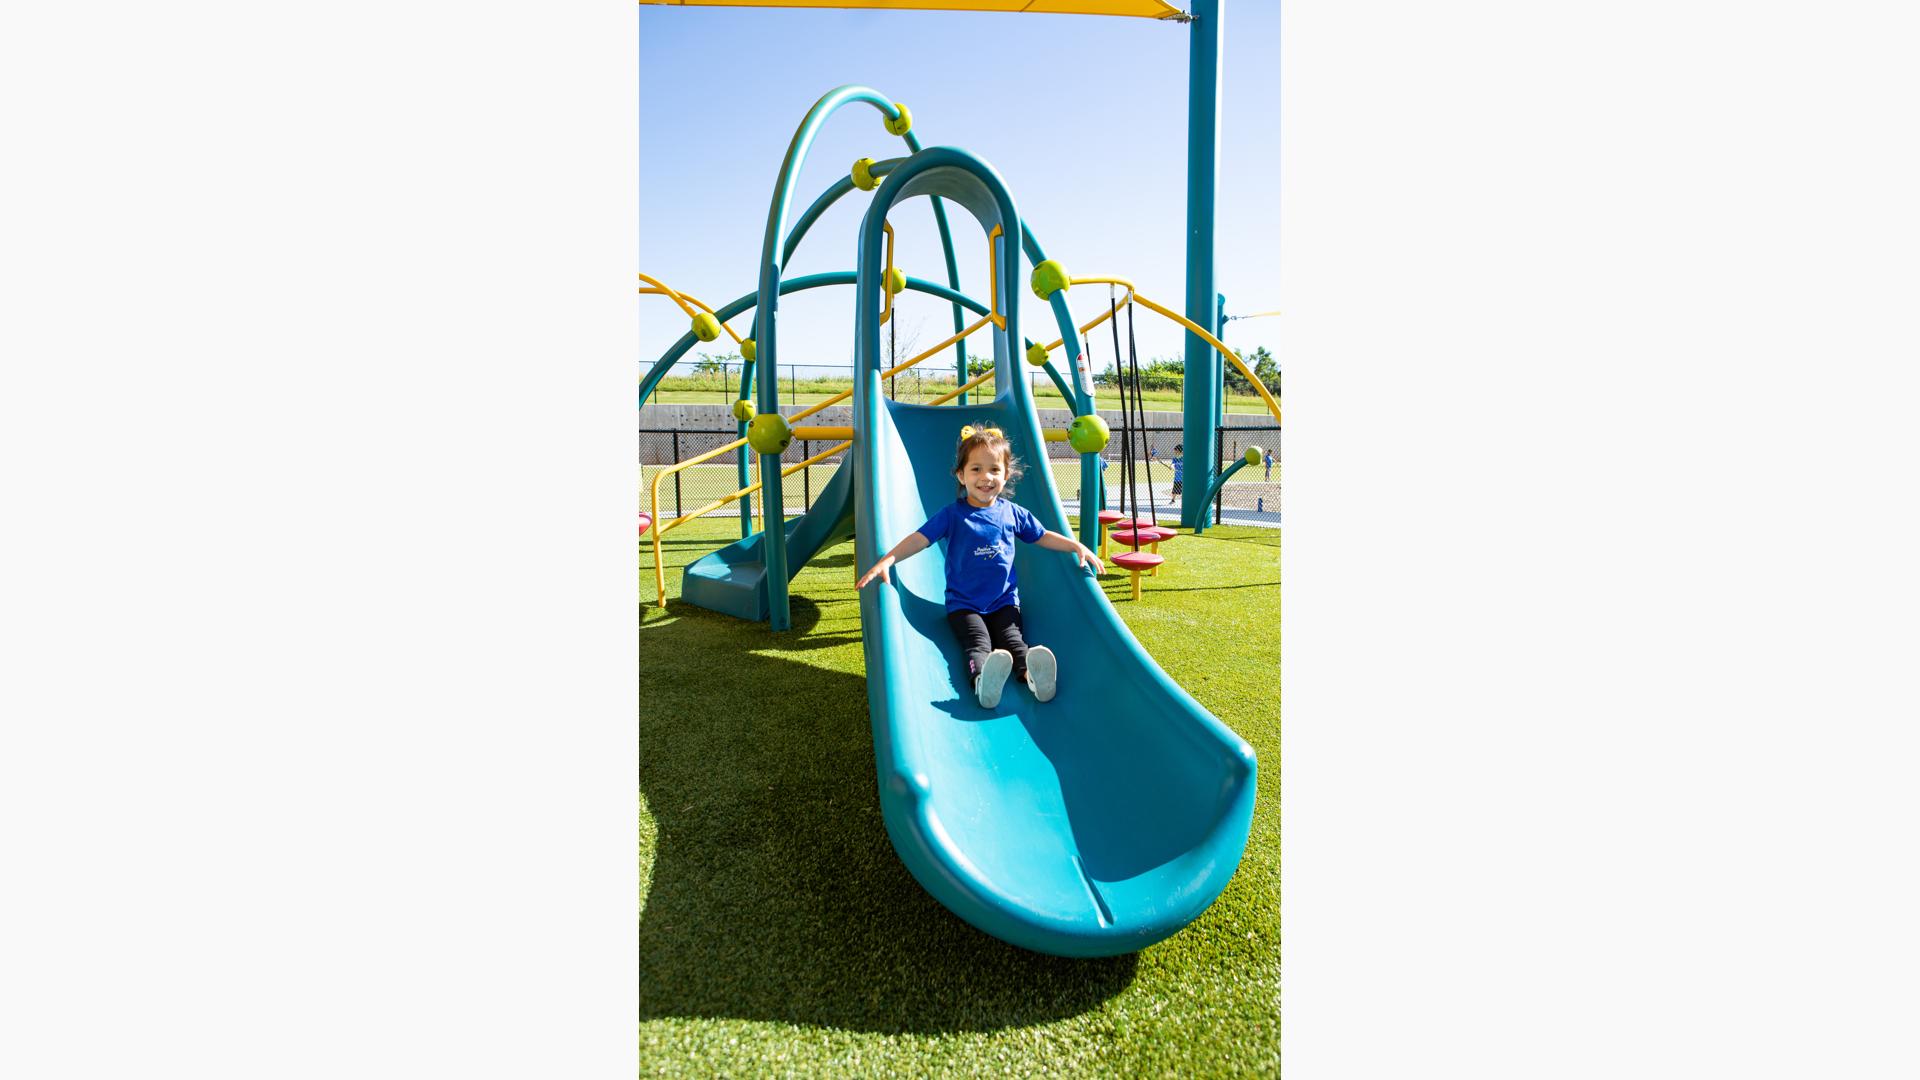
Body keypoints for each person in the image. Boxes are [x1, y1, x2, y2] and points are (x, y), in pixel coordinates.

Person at [856, 427, 1104, 707]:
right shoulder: (952, 515)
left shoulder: (1012, 513)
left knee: (1014, 640)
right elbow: (920, 538)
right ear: (961, 476)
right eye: (976, 469)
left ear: (1006, 475)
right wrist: (889, 558)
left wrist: (1075, 545)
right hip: (964, 605)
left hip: (1004, 601)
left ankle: (1032, 676)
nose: (986, 477)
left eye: (994, 470)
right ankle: (983, 681)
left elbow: (1042, 535)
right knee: (977, 642)